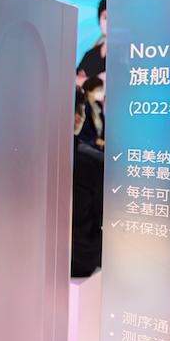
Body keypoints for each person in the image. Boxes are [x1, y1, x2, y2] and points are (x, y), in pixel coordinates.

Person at [72, 87, 104, 278]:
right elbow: (101, 214)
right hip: (80, 258)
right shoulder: (94, 161)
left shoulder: (27, 157)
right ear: (78, 115)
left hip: (36, 255)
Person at [76, 0, 107, 86]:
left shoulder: (130, 52)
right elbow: (74, 79)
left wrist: (85, 81)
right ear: (99, 20)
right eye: (106, 17)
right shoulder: (90, 55)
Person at [78, 76, 106, 149]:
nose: (102, 92)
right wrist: (96, 141)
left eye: (102, 89)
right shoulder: (84, 106)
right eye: (99, 90)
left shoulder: (98, 105)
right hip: (86, 143)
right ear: (89, 91)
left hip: (99, 144)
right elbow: (83, 131)